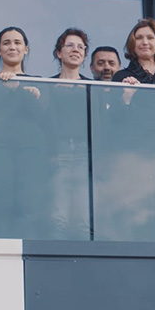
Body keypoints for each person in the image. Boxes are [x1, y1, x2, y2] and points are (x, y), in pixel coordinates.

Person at [98, 18, 155, 240]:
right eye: (139, 38)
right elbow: (114, 119)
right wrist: (126, 98)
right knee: (135, 203)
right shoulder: (121, 76)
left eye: (149, 37)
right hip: (133, 148)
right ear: (132, 44)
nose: (144, 42)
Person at [0, 26, 52, 238]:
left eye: (17, 42)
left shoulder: (38, 81)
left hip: (31, 153)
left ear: (26, 49)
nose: (12, 47)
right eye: (6, 43)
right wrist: (8, 90)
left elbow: (44, 116)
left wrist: (26, 93)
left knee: (29, 205)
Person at [49, 28, 91, 239]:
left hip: (86, 154)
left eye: (81, 47)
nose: (76, 50)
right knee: (58, 215)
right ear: (59, 53)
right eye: (70, 45)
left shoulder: (91, 87)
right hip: (58, 152)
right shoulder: (47, 86)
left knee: (84, 217)